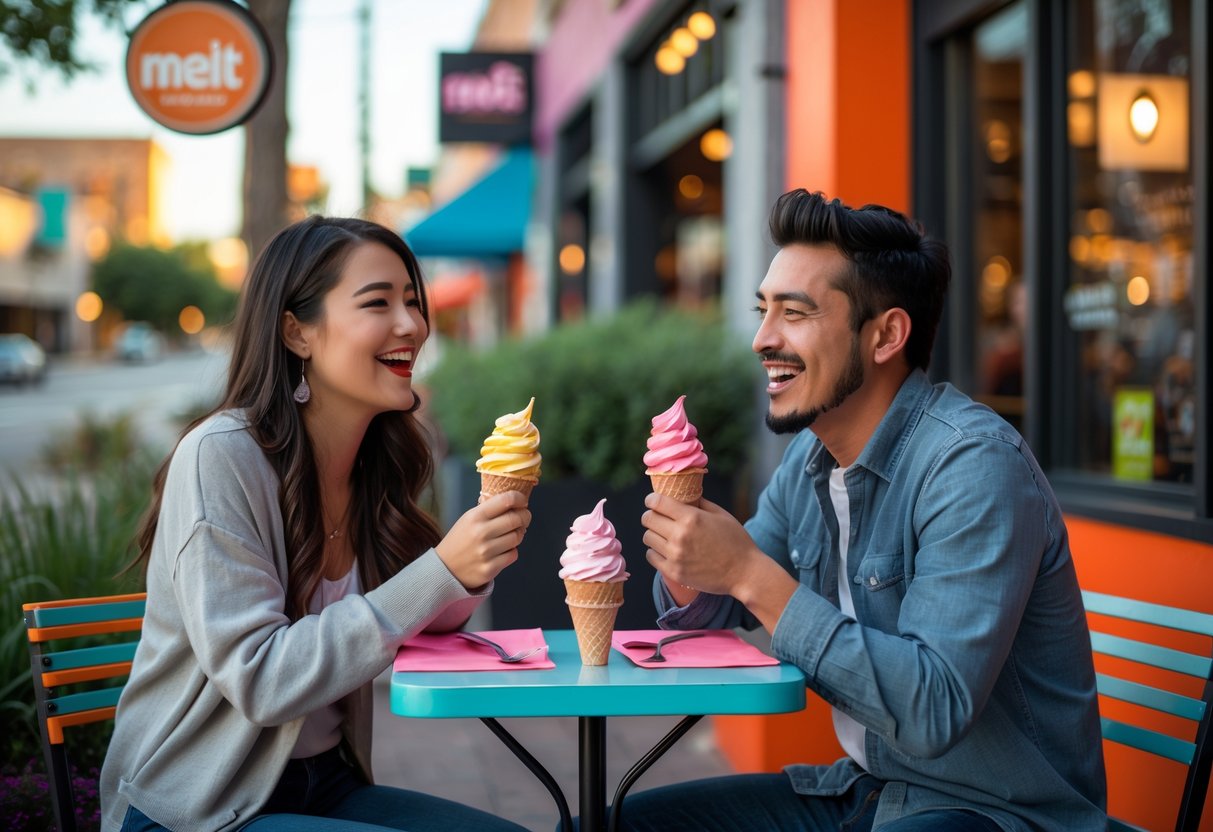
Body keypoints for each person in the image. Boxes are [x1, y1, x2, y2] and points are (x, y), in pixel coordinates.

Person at [629, 190, 1107, 831]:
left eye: (794, 314)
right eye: (762, 311)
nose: (761, 339)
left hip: (995, 812)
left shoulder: (971, 466)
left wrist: (745, 572)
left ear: (885, 335)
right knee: (618, 824)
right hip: (872, 791)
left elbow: (932, 709)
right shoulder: (810, 460)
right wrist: (690, 554)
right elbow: (717, 604)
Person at [100, 216, 531, 832]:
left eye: (413, 300)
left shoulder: (370, 463)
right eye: (377, 302)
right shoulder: (220, 456)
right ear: (297, 332)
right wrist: (441, 570)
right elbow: (262, 679)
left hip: (326, 784)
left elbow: (416, 618)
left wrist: (472, 565)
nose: (412, 325)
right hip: (196, 807)